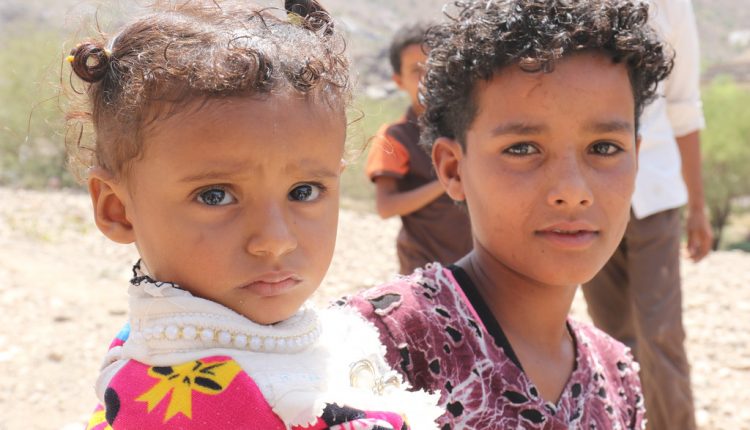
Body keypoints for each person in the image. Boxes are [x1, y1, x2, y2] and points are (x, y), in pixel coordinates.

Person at [64, 2, 439, 429]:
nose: (275, 240)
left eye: (303, 191)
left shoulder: (154, 339)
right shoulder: (224, 404)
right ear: (117, 209)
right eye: (215, 196)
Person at [346, 0, 675, 427]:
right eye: (522, 149)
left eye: (604, 148)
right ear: (453, 169)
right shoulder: (382, 346)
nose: (572, 192)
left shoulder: (617, 375)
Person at [581, 1, 712, 428]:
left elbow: (683, 105)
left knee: (661, 333)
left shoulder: (671, 7)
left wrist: (697, 207)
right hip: (587, 193)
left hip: (654, 192)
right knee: (609, 335)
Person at [365, 22, 472, 275]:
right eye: (416, 70)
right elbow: (386, 206)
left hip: (477, 264)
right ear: (398, 81)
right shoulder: (395, 137)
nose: (428, 77)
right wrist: (447, 181)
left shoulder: (469, 126)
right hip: (423, 267)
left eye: (435, 66)